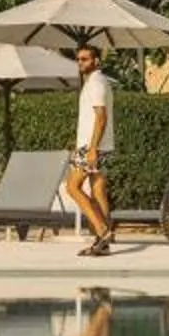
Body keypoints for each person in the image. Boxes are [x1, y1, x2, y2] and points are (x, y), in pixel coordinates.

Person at [64, 42, 116, 255]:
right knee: (98, 191)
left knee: (72, 187)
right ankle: (103, 243)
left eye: (85, 59)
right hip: (100, 145)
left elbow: (101, 118)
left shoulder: (96, 84)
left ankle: (102, 230)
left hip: (92, 146)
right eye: (78, 59)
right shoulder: (99, 82)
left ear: (96, 61)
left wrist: (92, 148)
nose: (80, 63)